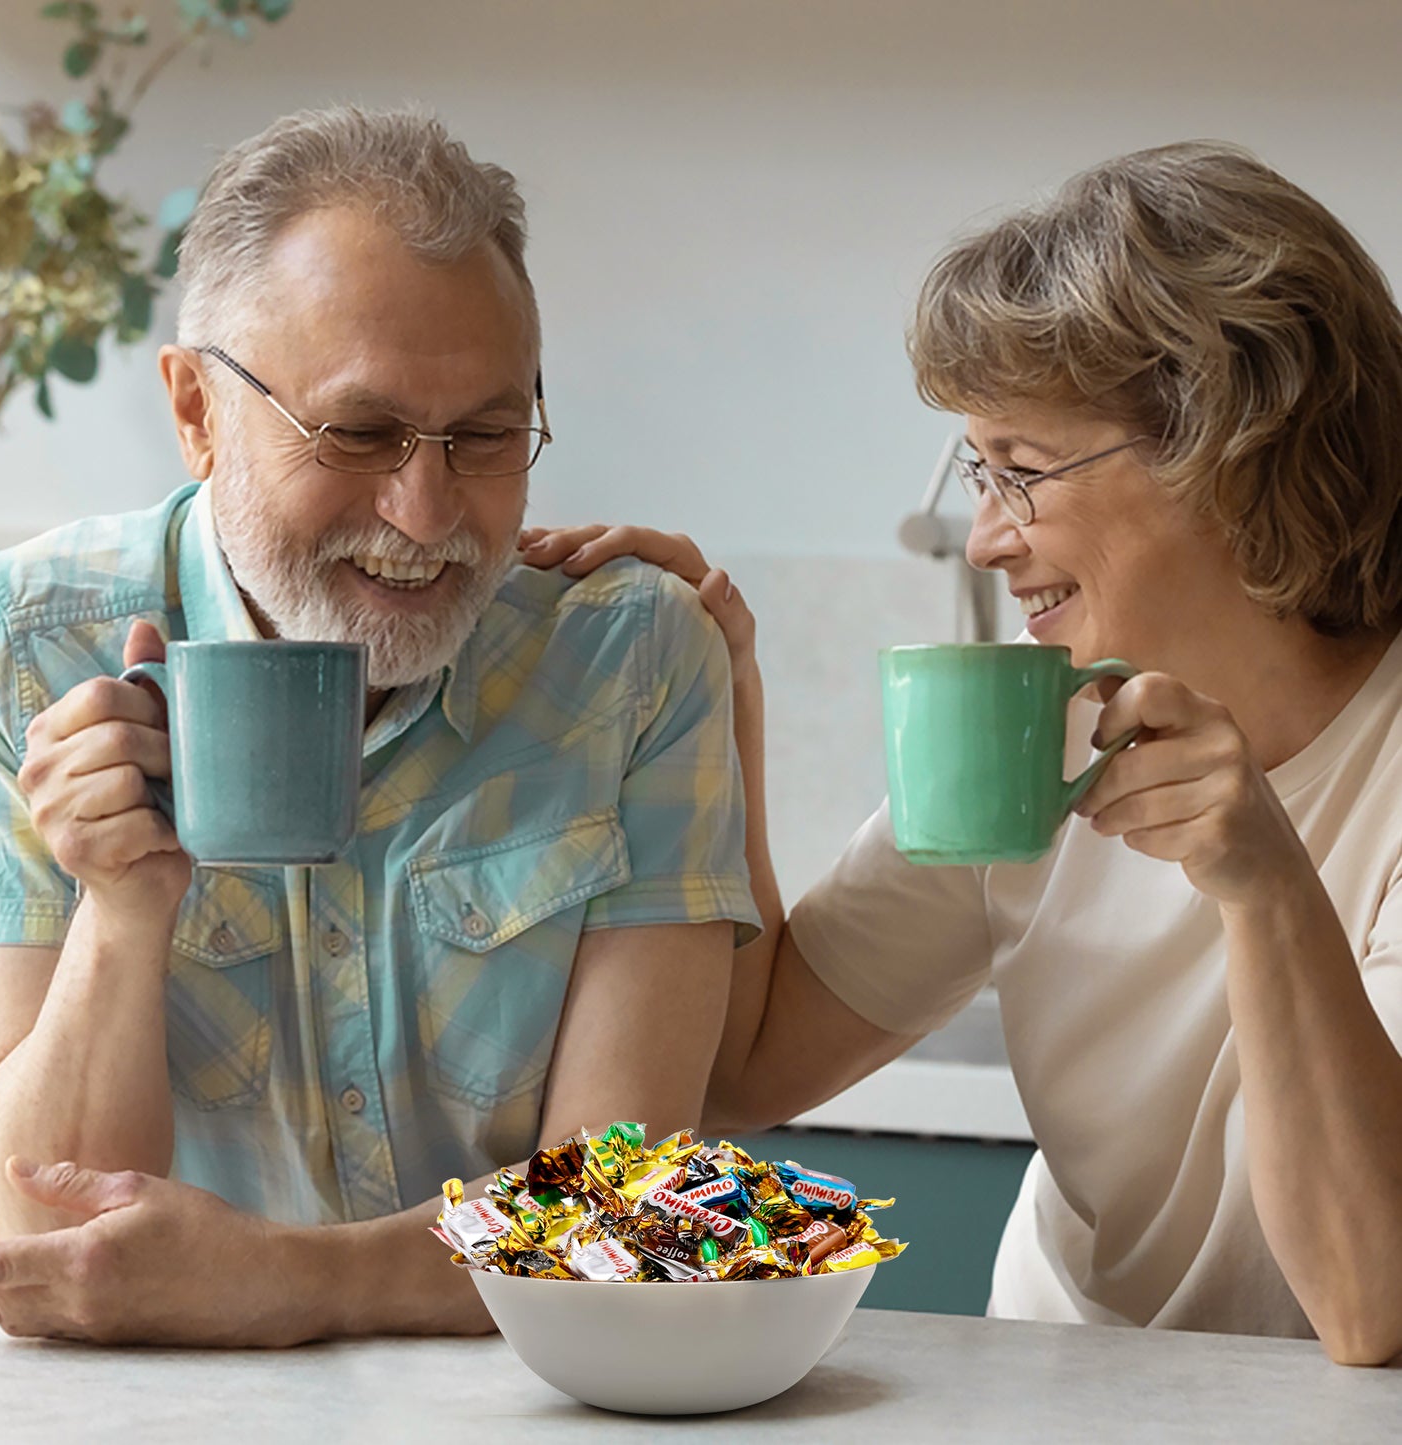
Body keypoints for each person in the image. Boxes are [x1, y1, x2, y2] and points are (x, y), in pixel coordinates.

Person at [523, 141, 1402, 1365]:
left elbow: (1372, 1305)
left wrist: (1261, 884)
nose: (986, 538)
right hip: (1057, 1385)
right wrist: (718, 708)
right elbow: (748, 1064)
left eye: (1023, 473)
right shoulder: (1040, 733)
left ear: (1232, 456)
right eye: (976, 471)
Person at [0, 106, 758, 1345]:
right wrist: (121, 906)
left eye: (485, 433)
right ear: (195, 411)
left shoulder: (633, 656)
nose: (426, 508)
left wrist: (294, 1280)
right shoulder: (14, 646)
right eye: (360, 431)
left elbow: (623, 1204)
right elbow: (48, 1231)